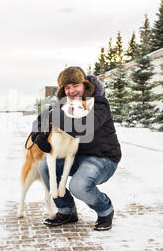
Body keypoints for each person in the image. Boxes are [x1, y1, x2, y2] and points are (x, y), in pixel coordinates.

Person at [30, 66, 122, 231]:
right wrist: (37, 135)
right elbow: (40, 119)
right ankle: (66, 211)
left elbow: (83, 129)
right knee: (44, 166)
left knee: (78, 185)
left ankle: (105, 210)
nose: (71, 91)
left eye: (75, 85)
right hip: (76, 157)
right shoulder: (64, 104)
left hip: (103, 158)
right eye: (67, 87)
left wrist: (55, 117)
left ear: (84, 84)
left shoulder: (98, 103)